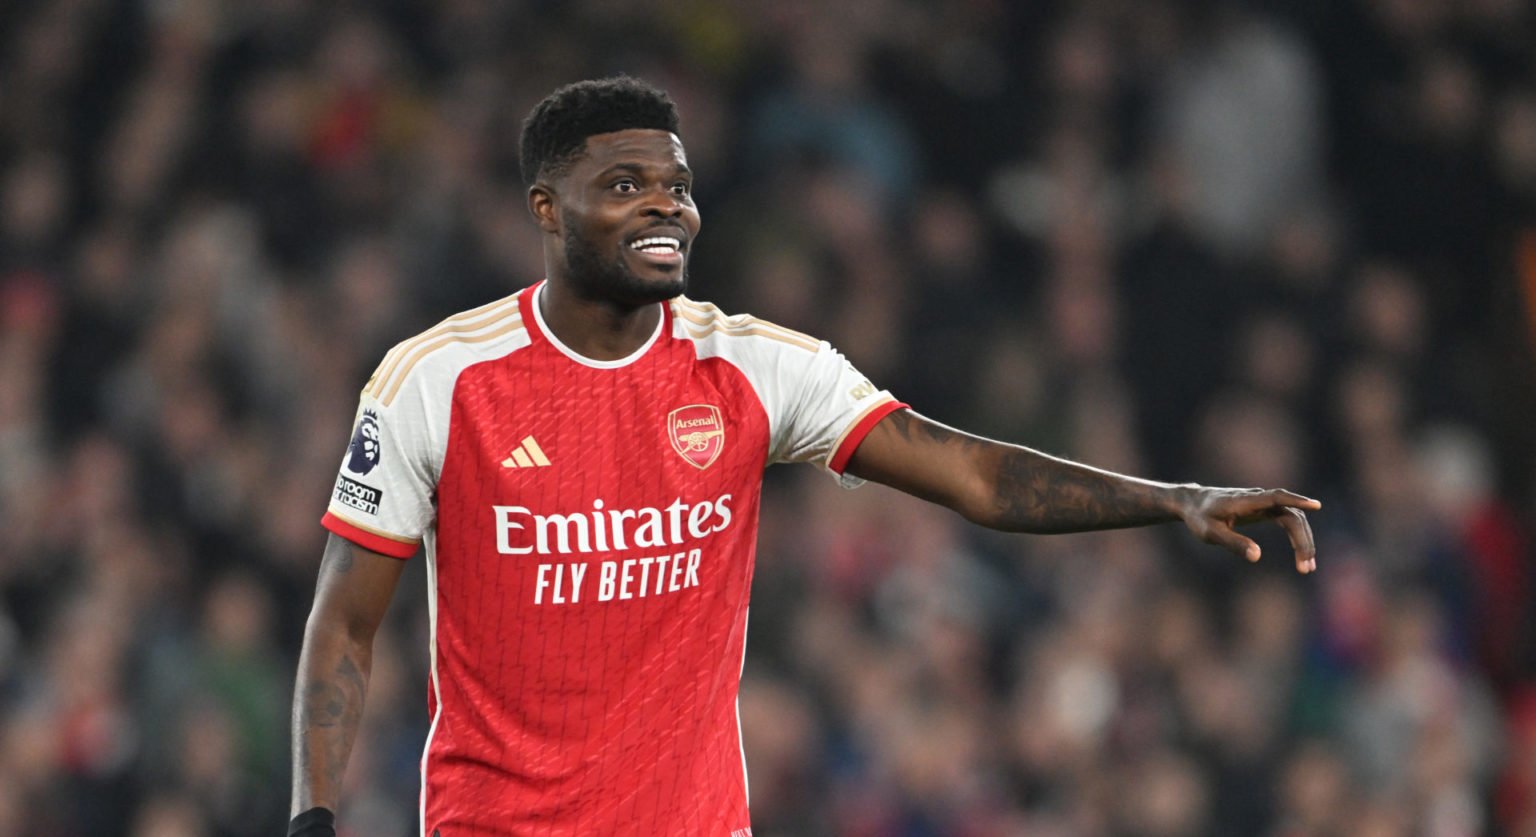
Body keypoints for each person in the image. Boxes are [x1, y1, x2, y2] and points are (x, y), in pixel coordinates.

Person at [288, 76, 1320, 837]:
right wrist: (314, 821)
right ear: (546, 209)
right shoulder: (437, 382)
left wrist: (1176, 498)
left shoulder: (754, 368)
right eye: (626, 183)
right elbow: (344, 626)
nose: (666, 205)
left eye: (678, 184)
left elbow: (977, 479)